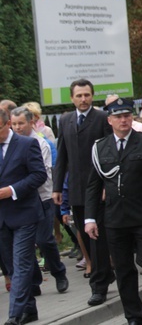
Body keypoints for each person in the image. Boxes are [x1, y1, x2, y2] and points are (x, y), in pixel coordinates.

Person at [84, 98, 142, 325]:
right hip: (115, 218)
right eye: (118, 117)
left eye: (127, 116)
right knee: (123, 270)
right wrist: (90, 218)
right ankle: (134, 316)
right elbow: (93, 185)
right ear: (110, 120)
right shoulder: (100, 147)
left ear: (132, 118)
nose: (123, 120)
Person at [52, 79, 114, 306]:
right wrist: (57, 187)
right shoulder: (66, 120)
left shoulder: (101, 119)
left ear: (92, 96)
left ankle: (98, 286)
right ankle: (105, 273)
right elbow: (62, 155)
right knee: (85, 238)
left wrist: (108, 185)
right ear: (72, 98)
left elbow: (109, 153)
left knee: (97, 236)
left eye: (87, 95)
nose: (83, 99)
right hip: (76, 190)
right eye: (79, 96)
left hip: (98, 189)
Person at [9, 108, 68, 294]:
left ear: (31, 123)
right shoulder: (10, 145)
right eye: (14, 123)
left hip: (42, 198)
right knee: (24, 245)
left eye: (21, 123)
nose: (17, 127)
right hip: (18, 201)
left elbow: (39, 175)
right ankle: (34, 282)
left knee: (44, 240)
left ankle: (59, 272)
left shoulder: (40, 143)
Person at [0, 108, 47, 325]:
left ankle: (14, 315)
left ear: (7, 124)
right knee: (11, 267)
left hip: (25, 214)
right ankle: (29, 309)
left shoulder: (27, 144)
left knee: (21, 264)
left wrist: (12, 190)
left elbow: (39, 175)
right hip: (2, 218)